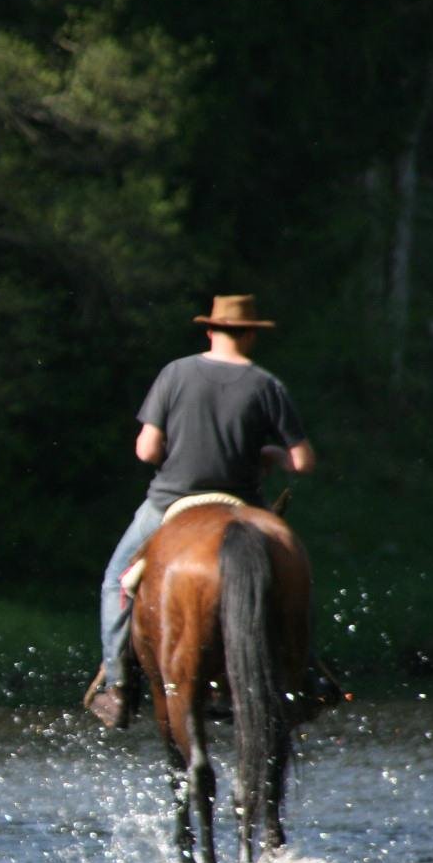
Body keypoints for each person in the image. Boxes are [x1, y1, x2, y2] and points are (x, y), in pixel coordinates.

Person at [83, 294, 314, 729]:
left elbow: (147, 449)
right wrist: (269, 453)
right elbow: (302, 461)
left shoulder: (175, 373)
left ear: (210, 329)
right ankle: (305, 679)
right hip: (242, 502)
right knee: (289, 574)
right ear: (249, 335)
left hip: (172, 500)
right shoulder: (266, 384)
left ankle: (116, 686)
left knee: (117, 579)